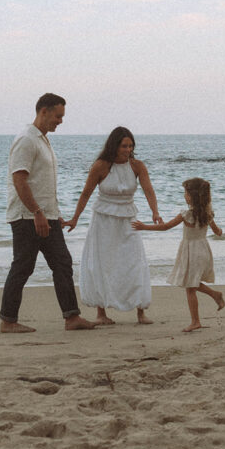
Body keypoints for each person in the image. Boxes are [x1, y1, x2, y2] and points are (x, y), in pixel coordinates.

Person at [0, 93, 95, 333]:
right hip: (27, 217)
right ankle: (8, 320)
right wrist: (37, 213)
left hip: (46, 216)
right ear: (44, 111)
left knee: (62, 263)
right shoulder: (26, 139)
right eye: (58, 116)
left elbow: (42, 182)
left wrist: (52, 213)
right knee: (23, 266)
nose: (60, 121)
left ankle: (71, 317)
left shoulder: (42, 140)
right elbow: (19, 180)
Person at [65, 127, 162, 325]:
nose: (127, 149)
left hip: (128, 218)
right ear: (114, 146)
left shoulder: (137, 166)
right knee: (103, 263)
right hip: (103, 220)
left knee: (135, 262)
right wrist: (75, 218)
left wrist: (155, 212)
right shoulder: (101, 166)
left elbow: (149, 190)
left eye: (130, 146)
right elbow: (86, 193)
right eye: (124, 146)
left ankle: (141, 312)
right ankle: (101, 313)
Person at [133, 177, 225, 332]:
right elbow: (218, 232)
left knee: (190, 287)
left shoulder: (186, 214)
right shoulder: (208, 213)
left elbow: (165, 227)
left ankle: (197, 320)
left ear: (192, 196)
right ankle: (214, 295)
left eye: (186, 193)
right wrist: (219, 231)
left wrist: (144, 227)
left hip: (191, 250)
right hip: (203, 249)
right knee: (191, 284)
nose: (184, 195)